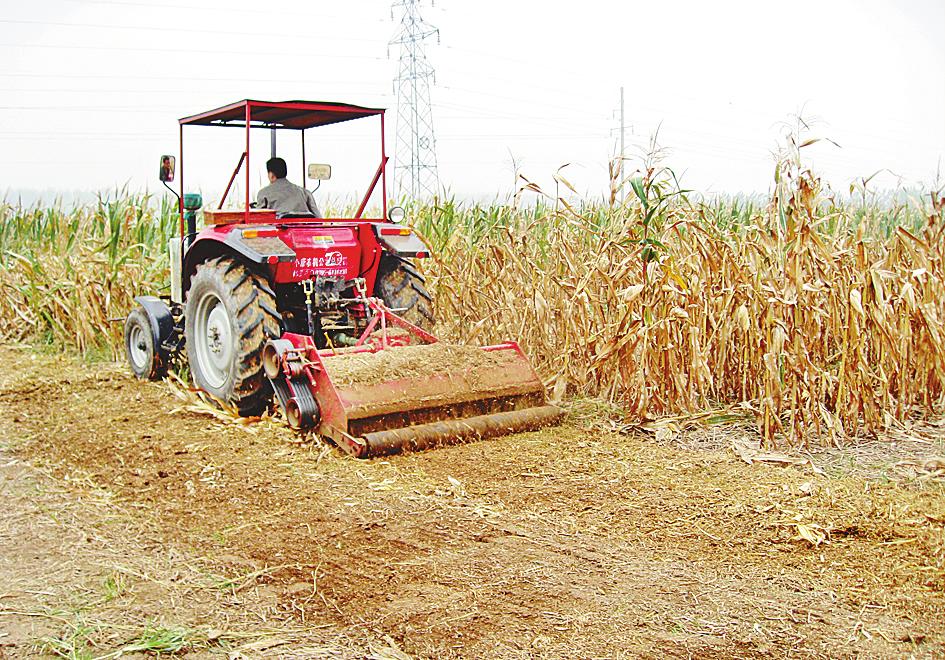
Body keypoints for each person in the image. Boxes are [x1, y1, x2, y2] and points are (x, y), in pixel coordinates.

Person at [255, 157, 322, 217]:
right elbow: (318, 217)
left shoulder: (264, 193)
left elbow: (257, 218)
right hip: (304, 229)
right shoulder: (304, 192)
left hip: (278, 229)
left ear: (271, 175)